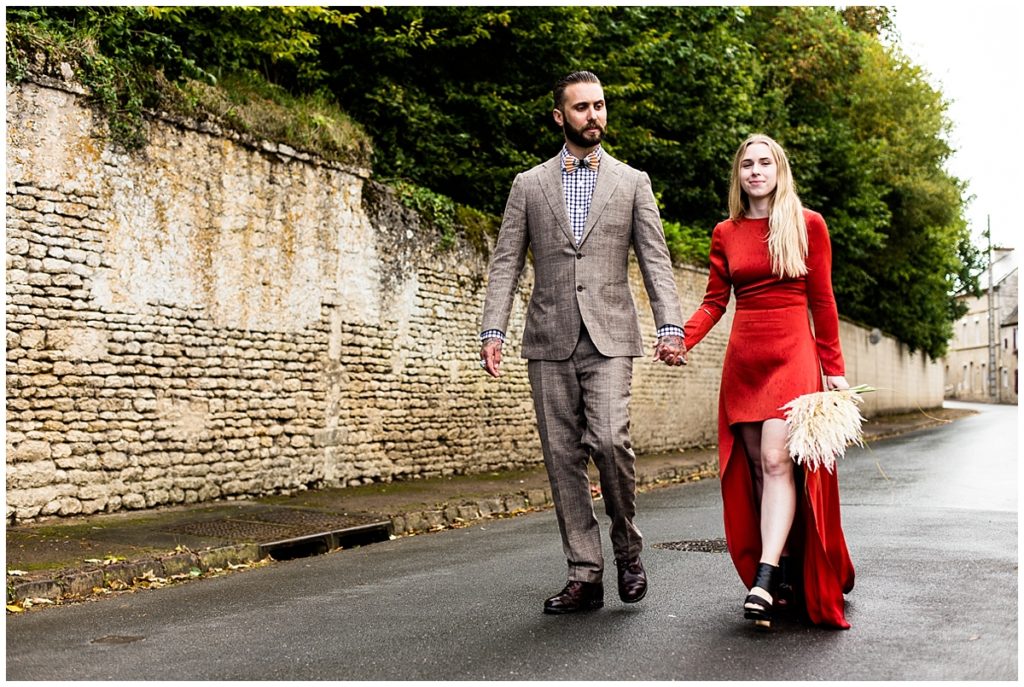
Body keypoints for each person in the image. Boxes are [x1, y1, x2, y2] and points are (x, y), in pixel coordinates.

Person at [479, 70, 686, 615]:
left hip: (611, 335)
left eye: (599, 106)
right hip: (548, 337)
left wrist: (671, 325)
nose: (593, 116)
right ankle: (584, 573)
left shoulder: (632, 182)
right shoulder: (529, 185)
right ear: (559, 117)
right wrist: (492, 329)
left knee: (611, 441)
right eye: (581, 108)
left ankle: (627, 550)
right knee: (562, 457)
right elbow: (505, 262)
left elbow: (655, 259)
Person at [681, 133, 855, 629]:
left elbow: (822, 301)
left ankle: (763, 576)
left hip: (794, 358)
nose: (755, 171)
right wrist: (683, 340)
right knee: (758, 470)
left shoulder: (808, 226)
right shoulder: (725, 232)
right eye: (746, 165)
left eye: (764, 163)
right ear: (738, 176)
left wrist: (835, 371)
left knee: (778, 460)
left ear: (779, 169)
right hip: (746, 362)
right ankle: (781, 576)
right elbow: (716, 301)